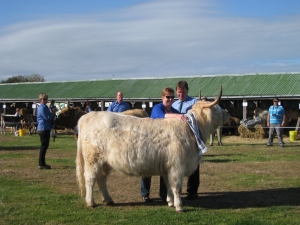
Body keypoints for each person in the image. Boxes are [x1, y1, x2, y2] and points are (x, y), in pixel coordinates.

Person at [140, 87, 187, 203]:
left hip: (165, 145)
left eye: (172, 97)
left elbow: (182, 116)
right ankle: (145, 194)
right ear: (162, 97)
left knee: (165, 169)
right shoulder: (158, 107)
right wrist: (177, 116)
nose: (170, 99)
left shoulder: (174, 110)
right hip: (151, 142)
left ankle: (164, 194)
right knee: (147, 168)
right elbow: (158, 116)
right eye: (168, 97)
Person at [172, 80, 198, 200]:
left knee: (193, 163)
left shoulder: (194, 103)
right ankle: (177, 190)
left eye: (182, 92)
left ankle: (192, 191)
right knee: (177, 164)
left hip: (191, 138)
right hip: (176, 140)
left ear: (187, 91)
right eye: (178, 93)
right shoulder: (173, 105)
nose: (180, 95)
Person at [37, 93, 55, 169]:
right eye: (43, 99)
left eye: (46, 99)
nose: (44, 100)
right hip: (44, 128)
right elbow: (48, 117)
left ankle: (42, 163)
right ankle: (41, 164)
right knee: (44, 146)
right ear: (40, 100)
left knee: (44, 146)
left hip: (45, 127)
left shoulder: (44, 107)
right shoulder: (42, 108)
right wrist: (53, 113)